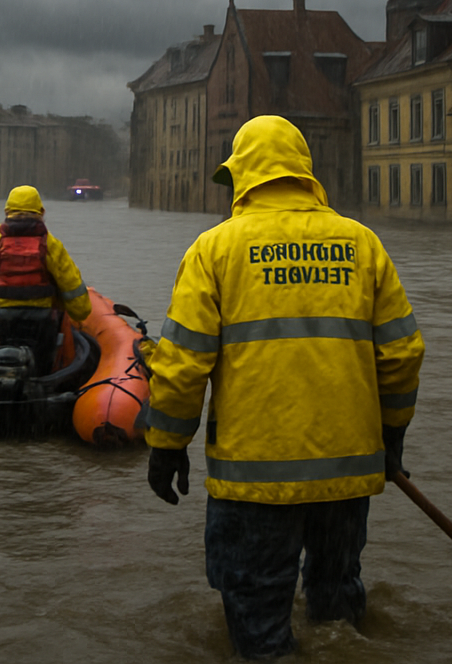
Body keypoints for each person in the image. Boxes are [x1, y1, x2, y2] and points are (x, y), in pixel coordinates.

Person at [144, 115, 424, 659]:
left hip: (255, 481)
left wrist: (167, 445)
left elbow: (182, 365)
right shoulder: (362, 244)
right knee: (337, 608)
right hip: (346, 474)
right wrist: (392, 437)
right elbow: (402, 353)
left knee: (258, 624)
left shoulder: (214, 250)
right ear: (303, 172)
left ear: (242, 177)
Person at [0, 185, 92, 373]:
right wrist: (80, 313)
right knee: (41, 368)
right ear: (42, 213)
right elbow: (73, 289)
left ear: (7, 212)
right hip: (42, 323)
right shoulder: (51, 245)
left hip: (5, 320)